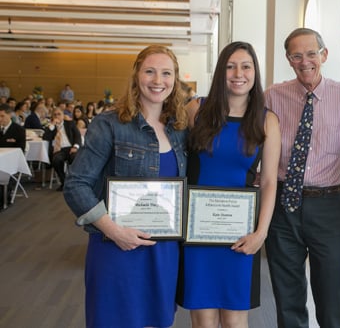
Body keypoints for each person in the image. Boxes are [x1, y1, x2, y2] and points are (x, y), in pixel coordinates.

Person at [63, 45, 188, 328]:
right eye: (150, 71)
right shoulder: (109, 124)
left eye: (166, 73)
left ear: (175, 79)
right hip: (116, 247)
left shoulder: (179, 129)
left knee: (157, 322)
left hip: (163, 250)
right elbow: (76, 185)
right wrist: (115, 231)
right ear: (136, 76)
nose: (158, 81)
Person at [264, 28, 340, 328]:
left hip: (329, 207)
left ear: (324, 55)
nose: (305, 61)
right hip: (283, 206)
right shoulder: (272, 97)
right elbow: (250, 141)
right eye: (297, 55)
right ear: (288, 59)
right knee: (287, 296)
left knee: (333, 296)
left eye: (311, 53)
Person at [177, 41, 281, 328]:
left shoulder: (267, 120)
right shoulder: (196, 109)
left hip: (240, 231)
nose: (238, 73)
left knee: (235, 318)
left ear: (254, 72)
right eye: (230, 66)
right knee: (203, 318)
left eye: (246, 66)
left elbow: (270, 181)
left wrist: (261, 233)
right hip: (198, 229)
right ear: (220, 72)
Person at [43, 107, 82, 191]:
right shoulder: (51, 127)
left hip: (71, 148)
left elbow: (77, 136)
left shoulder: (70, 124)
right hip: (59, 149)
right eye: (55, 114)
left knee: (74, 158)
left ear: (63, 115)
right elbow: (45, 137)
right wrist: (52, 125)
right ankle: (64, 182)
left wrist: (75, 146)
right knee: (56, 160)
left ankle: (75, 182)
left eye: (59, 114)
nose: (57, 116)